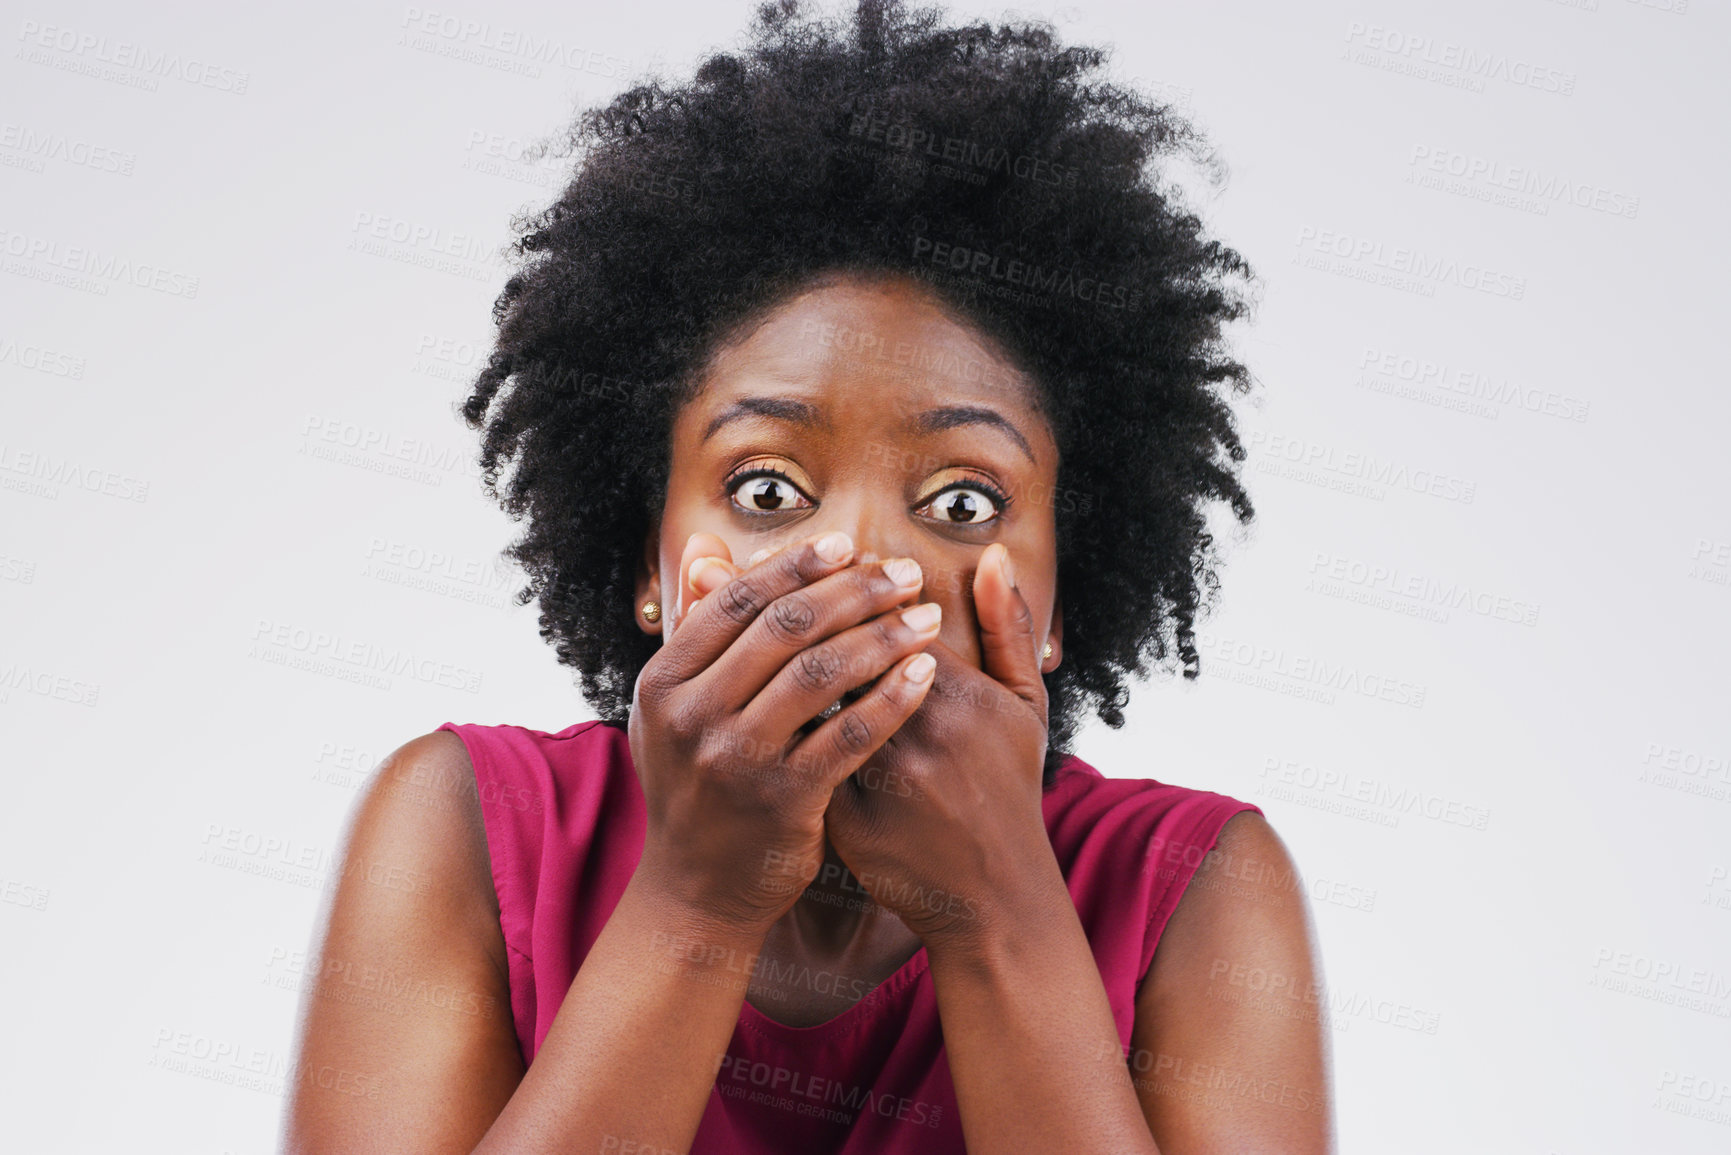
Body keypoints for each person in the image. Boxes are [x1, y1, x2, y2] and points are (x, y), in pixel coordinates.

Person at [283, 1, 1332, 1151]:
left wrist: (996, 916)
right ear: (649, 562)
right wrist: (700, 899)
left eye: (964, 502)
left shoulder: (1197, 888)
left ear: (1058, 606)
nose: (867, 561)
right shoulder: (464, 828)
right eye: (768, 490)